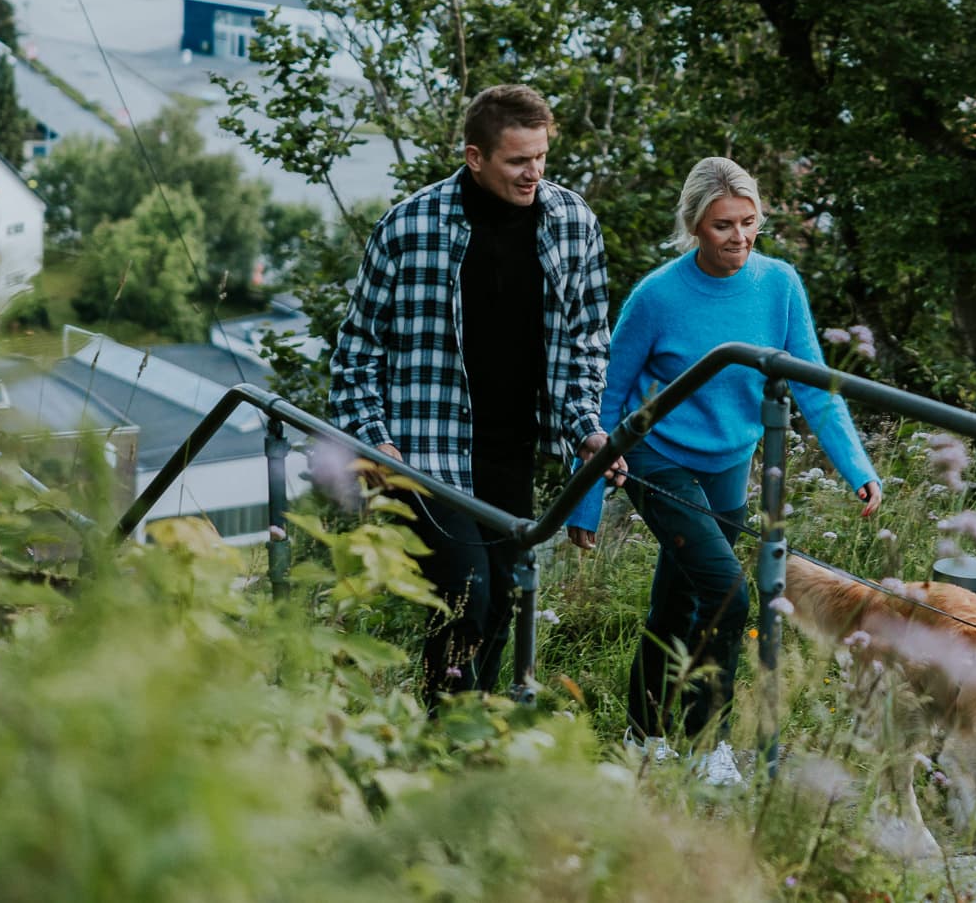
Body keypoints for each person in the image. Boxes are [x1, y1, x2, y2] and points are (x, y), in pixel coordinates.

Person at [569, 156, 884, 776]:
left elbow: (816, 387)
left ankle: (641, 734)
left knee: (675, 598)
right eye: (722, 225)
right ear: (694, 225)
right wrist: (586, 499)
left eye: (749, 222)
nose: (738, 237)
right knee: (727, 595)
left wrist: (857, 467)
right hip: (657, 455)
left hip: (727, 462)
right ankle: (708, 745)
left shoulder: (780, 285)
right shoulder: (658, 295)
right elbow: (607, 398)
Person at [328, 83, 617, 703]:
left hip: (510, 452)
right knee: (468, 597)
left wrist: (586, 427)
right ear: (475, 157)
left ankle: (464, 734)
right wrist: (377, 447)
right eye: (518, 160)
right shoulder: (408, 228)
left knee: (506, 601)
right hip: (426, 456)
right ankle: (445, 741)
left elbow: (589, 342)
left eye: (541, 158)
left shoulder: (573, 222)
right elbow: (354, 358)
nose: (534, 173)